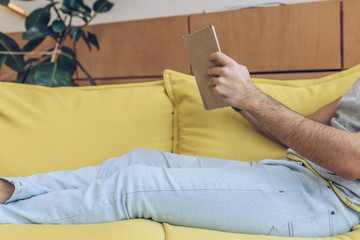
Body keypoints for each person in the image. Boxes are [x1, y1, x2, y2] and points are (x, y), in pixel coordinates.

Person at [0, 52, 359, 238]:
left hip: (328, 200)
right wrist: (241, 97)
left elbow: (351, 160)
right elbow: (305, 130)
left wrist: (251, 97)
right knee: (134, 161)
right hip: (294, 174)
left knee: (135, 185)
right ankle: (13, 190)